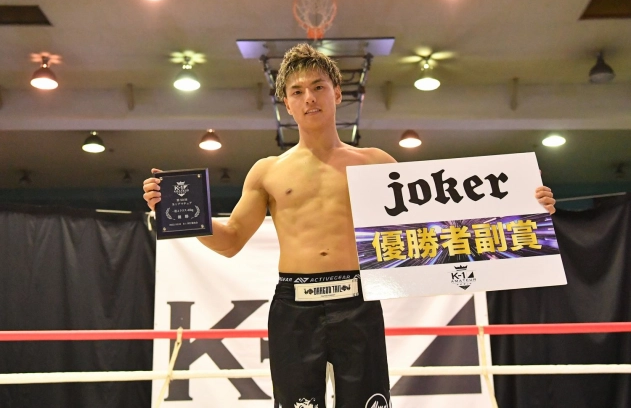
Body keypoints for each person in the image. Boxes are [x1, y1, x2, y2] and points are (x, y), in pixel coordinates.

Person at [143, 44, 557, 408]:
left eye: (318, 87)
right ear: (286, 103)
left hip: (357, 300)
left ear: (337, 93)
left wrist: (527, 210)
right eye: (297, 91)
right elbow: (231, 240)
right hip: (294, 306)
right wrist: (175, 213)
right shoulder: (267, 171)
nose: (309, 97)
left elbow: (441, 226)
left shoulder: (376, 163)